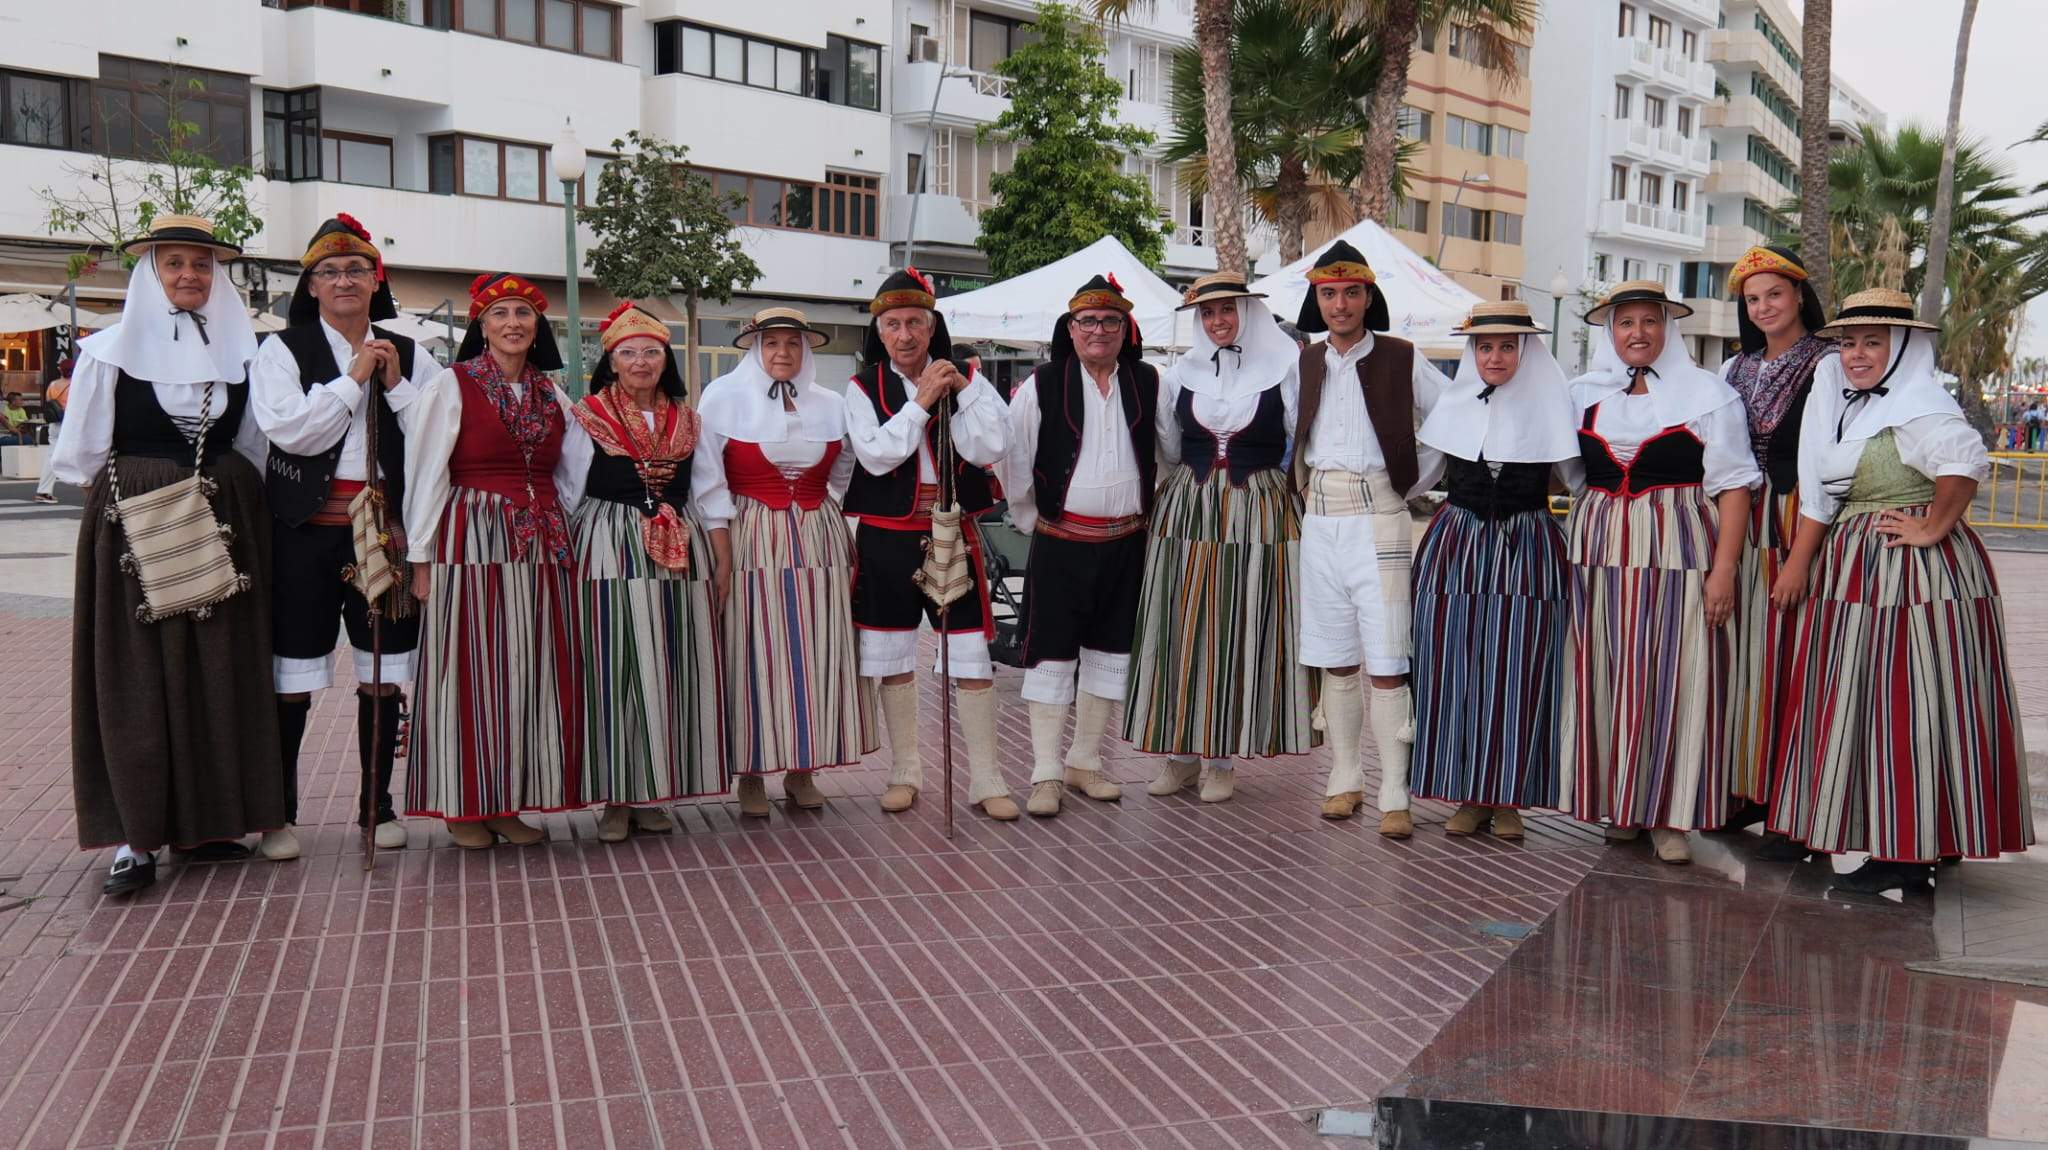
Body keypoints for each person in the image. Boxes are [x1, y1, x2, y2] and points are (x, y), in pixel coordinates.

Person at [50, 215, 286, 896]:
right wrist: (148, 497)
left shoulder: (245, 353)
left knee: (222, 669)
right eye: (175, 263)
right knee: (138, 677)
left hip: (227, 516)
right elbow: (86, 456)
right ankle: (137, 835)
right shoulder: (105, 353)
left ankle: (212, 825)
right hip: (136, 520)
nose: (190, 275)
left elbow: (254, 444)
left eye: (202, 264)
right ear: (150, 271)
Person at [1770, 288, 2034, 893]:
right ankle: (1920, 839)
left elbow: (1964, 463)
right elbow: (1820, 493)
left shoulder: (1920, 404)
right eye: (1849, 342)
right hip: (1861, 567)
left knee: (1910, 701)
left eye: (1872, 342)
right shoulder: (1845, 401)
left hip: (1911, 575)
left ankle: (1908, 857)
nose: (1857, 354)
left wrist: (1934, 525)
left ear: (1902, 347)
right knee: (1882, 703)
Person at [251, 215, 434, 857]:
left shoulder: (410, 353)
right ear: (310, 286)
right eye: (328, 272)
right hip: (301, 531)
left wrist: (396, 386)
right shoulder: (280, 350)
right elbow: (294, 433)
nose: (343, 280)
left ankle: (375, 807)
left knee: (381, 670)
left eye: (356, 269)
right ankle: (279, 815)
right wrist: (354, 378)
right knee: (292, 672)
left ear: (375, 279)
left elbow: (438, 438)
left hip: (383, 533)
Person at [1563, 281, 1759, 865]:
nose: (1638, 333)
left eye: (1650, 322)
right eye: (1626, 324)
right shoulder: (1581, 394)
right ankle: (1620, 805)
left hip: (1679, 549)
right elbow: (1572, 474)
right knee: (1608, 673)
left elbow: (1734, 486)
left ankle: (1671, 815)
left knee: (1677, 676)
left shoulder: (1707, 396)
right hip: (1600, 552)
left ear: (1667, 329)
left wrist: (1723, 569)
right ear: (1610, 332)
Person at [403, 273, 591, 848]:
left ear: (538, 329)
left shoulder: (553, 395)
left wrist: (567, 530)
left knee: (526, 670)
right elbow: (427, 469)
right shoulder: (451, 385)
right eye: (501, 313)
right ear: (481, 326)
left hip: (538, 543)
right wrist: (421, 557)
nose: (513, 323)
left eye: (524, 314)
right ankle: (464, 805)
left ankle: (507, 802)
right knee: (469, 668)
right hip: (471, 535)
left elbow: (574, 472)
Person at [1126, 272, 1314, 803]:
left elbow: (1300, 437)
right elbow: (1167, 444)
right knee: (1180, 627)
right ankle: (1181, 757)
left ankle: (1223, 759)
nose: (1217, 321)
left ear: (1247, 313)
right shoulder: (1179, 374)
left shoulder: (1285, 368)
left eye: (1226, 310)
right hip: (1189, 510)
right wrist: (1184, 490)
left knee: (1239, 624)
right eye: (1208, 314)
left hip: (1259, 510)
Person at [844, 269, 1015, 819]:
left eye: (914, 321)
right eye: (892, 324)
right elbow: (875, 456)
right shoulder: (861, 387)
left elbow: (991, 443)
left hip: (949, 528)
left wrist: (959, 392)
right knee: (892, 655)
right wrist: (920, 402)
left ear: (931, 323)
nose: (905, 334)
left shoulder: (966, 374)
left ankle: (987, 780)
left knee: (969, 654)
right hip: (887, 535)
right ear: (879, 331)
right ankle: (904, 771)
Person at [1291, 241, 1450, 834]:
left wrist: (1410, 485)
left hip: (1380, 514)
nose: (1340, 303)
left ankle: (1395, 790)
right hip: (1321, 519)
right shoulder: (1303, 362)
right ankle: (1345, 775)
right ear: (1317, 299)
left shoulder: (1404, 356)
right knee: (1335, 659)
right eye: (1328, 293)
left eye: (1351, 292)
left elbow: (1450, 416)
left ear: (1368, 296)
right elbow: (1293, 432)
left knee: (1387, 660)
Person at [1409, 302, 1580, 840]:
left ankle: (1509, 798)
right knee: (1453, 668)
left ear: (1526, 350)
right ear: (1472, 352)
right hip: (1455, 547)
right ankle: (1467, 793)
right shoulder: (1455, 408)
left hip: (1529, 548)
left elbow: (1581, 481)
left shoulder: (1553, 409)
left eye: (1508, 346)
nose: (1495, 356)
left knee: (1522, 672)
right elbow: (1416, 479)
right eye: (1485, 347)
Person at [698, 308, 875, 815]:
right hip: (754, 531)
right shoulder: (723, 399)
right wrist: (721, 545)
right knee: (754, 648)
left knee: (814, 648)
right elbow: (708, 478)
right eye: (772, 343)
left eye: (793, 344)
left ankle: (803, 768)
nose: (782, 353)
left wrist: (846, 531)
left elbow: (844, 471)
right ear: (755, 348)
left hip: (819, 533)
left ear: (806, 351)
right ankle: (751, 773)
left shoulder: (831, 403)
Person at [1002, 274, 1154, 818]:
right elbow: (1011, 458)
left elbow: (1168, 450)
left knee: (1110, 652)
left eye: (1110, 321)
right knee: (1051, 654)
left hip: (1126, 544)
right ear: (1070, 328)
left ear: (1124, 328)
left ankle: (1085, 760)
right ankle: (1046, 772)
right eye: (1087, 321)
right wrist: (1031, 518)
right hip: (1061, 543)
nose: (1098, 330)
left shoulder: (1147, 380)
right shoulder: (1043, 383)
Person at [569, 302, 723, 839]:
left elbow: (709, 490)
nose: (640, 361)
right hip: (608, 541)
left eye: (651, 352)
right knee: (613, 667)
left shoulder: (690, 420)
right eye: (628, 352)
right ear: (610, 361)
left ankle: (655, 793)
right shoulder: (587, 414)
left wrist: (720, 559)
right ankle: (615, 797)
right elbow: (569, 487)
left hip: (681, 548)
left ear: (666, 360)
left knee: (667, 666)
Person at [1716, 246, 1834, 853]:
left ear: (1799, 297)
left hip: (1800, 520)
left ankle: (1801, 810)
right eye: (1752, 299)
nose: (1763, 307)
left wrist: (1801, 555)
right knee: (1752, 660)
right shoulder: (1736, 369)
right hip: (1746, 521)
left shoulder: (1832, 361)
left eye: (1775, 295)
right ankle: (1754, 792)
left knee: (1800, 663)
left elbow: (1832, 461)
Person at [33, 365, 68, 503]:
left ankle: (44, 491)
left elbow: (48, 401)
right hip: (68, 423)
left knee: (51, 456)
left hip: (54, 423)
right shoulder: (75, 384)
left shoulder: (52, 385)